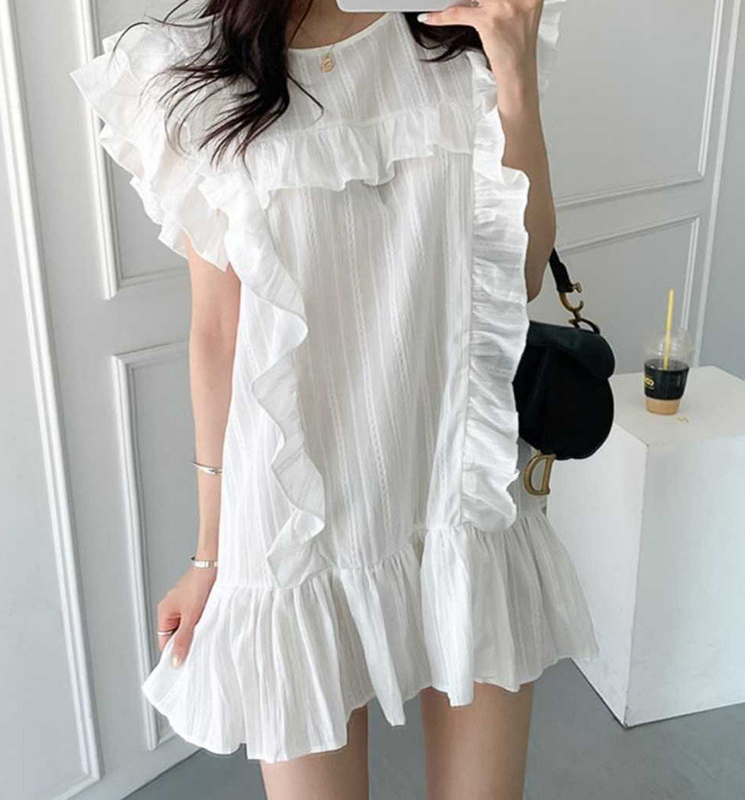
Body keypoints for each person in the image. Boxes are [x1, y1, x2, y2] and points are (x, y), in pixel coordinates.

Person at [70, 1, 599, 798]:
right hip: (294, 528)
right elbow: (218, 332)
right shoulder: (192, 72)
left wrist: (515, 73)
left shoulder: (470, 39)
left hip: (456, 496)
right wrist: (210, 555)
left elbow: (521, 276)